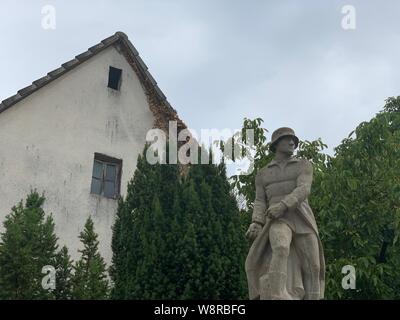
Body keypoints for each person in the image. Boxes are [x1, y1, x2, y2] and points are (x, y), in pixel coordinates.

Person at [245, 127, 325, 300]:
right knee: (280, 247)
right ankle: (277, 294)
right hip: (278, 220)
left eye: (294, 141)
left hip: (301, 217)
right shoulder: (263, 173)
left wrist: (283, 205)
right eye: (287, 139)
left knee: (313, 266)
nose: (292, 143)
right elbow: (260, 200)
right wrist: (256, 222)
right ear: (276, 144)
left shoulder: (304, 165)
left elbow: (304, 189)